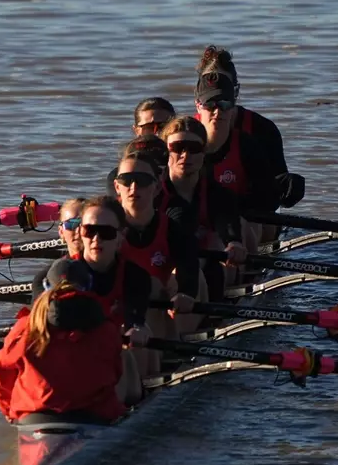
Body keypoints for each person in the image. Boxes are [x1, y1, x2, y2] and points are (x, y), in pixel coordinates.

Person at [39, 195, 151, 403]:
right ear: (81, 233)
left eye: (106, 233)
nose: (96, 239)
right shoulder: (50, 276)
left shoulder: (136, 276)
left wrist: (137, 327)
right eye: (90, 231)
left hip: (113, 358)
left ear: (120, 236)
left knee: (129, 349)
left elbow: (136, 316)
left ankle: (125, 404)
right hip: (72, 361)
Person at [193, 45, 303, 250]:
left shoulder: (262, 130)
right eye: (211, 101)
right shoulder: (184, 137)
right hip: (202, 216)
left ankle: (247, 265)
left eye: (224, 99)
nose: (217, 108)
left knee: (257, 227)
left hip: (250, 217)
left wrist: (287, 188)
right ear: (199, 100)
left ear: (235, 92)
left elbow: (273, 197)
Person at [0, 267, 126, 425]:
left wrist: (9, 410)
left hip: (34, 419)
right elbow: (115, 373)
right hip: (94, 417)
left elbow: (0, 372)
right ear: (88, 287)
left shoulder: (26, 326)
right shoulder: (106, 328)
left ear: (46, 287)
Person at [113, 138, 203, 356]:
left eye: (143, 180)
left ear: (156, 187)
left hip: (155, 310)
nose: (134, 188)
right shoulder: (103, 229)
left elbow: (189, 265)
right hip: (117, 309)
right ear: (117, 186)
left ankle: (177, 351)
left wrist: (185, 293)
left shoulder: (172, 229)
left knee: (153, 286)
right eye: (127, 180)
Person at [160, 116, 248, 293]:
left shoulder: (219, 195)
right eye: (177, 148)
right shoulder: (152, 193)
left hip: (207, 264)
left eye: (194, 149)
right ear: (165, 153)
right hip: (164, 262)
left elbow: (228, 224)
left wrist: (234, 244)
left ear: (204, 153)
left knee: (219, 245)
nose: (185, 155)